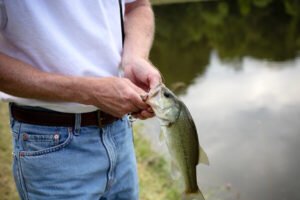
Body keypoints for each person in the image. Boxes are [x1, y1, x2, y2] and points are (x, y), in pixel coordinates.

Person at [0, 0, 161, 199]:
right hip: (52, 144)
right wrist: (89, 92)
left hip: (120, 132)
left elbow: (137, 6)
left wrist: (135, 58)